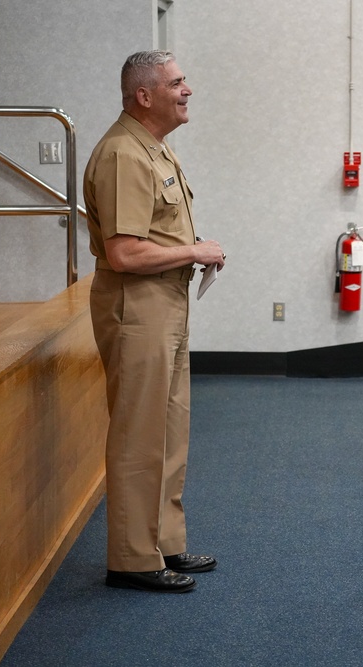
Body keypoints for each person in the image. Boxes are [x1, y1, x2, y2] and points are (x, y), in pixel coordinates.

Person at [85, 50, 224, 593]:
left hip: (165, 302)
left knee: (169, 430)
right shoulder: (124, 154)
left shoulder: (155, 150)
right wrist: (194, 249)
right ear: (145, 96)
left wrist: (190, 254)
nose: (187, 90)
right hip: (136, 306)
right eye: (177, 82)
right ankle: (132, 559)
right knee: (139, 437)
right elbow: (123, 253)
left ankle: (163, 543)